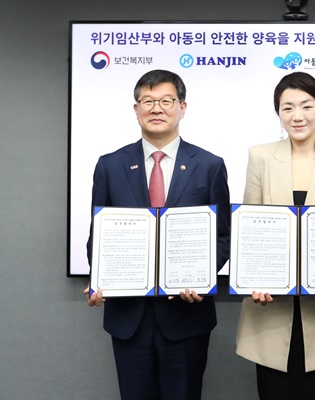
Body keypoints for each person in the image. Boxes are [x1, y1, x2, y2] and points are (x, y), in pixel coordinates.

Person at [84, 69, 230, 400]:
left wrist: (201, 276)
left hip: (187, 315)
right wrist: (99, 277)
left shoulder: (209, 165)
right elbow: (99, 236)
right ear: (136, 109)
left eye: (166, 101)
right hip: (128, 316)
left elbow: (223, 237)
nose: (157, 109)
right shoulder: (109, 165)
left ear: (182, 107)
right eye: (148, 101)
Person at [235, 71, 315, 400]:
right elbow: (251, 228)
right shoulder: (260, 155)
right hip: (270, 310)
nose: (298, 116)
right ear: (278, 113)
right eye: (287, 107)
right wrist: (253, 279)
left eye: (307, 106)